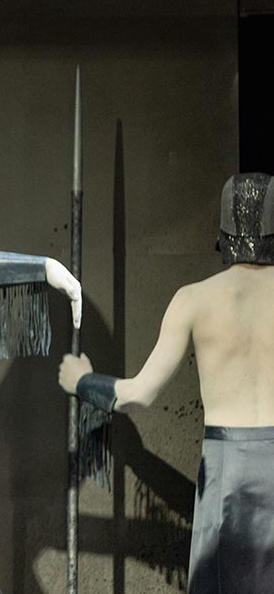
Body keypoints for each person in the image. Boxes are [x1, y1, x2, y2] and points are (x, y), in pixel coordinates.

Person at [59, 172, 274, 594]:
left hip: (227, 470)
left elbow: (140, 393)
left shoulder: (193, 299)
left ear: (225, 231)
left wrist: (83, 382)